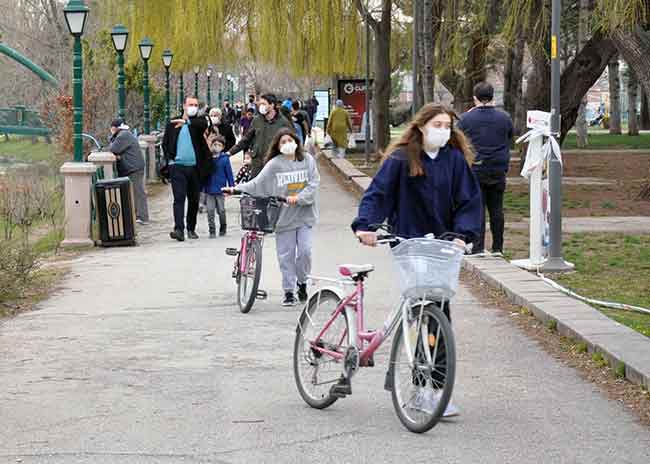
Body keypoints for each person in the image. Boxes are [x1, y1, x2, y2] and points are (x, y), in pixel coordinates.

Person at [351, 104, 482, 417]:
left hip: (442, 246)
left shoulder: (453, 161)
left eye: (447, 125)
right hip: (409, 243)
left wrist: (464, 234)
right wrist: (365, 225)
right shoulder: (401, 158)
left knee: (438, 313)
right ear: (422, 126)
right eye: (437, 123)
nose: (443, 130)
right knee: (416, 311)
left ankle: (436, 389)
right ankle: (421, 387)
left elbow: (469, 201)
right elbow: (379, 193)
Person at [223, 128, 320, 307]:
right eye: (282, 142)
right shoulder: (275, 164)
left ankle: (302, 282)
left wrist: (298, 198)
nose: (287, 144)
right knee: (286, 256)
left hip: (305, 215)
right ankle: (289, 290)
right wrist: (236, 189)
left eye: (289, 140)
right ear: (277, 145)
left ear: (296, 141)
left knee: (305, 252)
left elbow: (314, 183)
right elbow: (258, 183)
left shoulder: (307, 160)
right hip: (283, 218)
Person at [457, 81, 513, 257]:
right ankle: (498, 247)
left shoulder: (466, 119)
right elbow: (510, 136)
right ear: (492, 97)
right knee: (497, 208)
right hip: (498, 168)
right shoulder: (504, 117)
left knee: (478, 208)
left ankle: (478, 246)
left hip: (476, 168)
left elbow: (457, 140)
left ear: (475, 98)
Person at [162, 96, 214, 241]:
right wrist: (170, 159)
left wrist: (186, 121)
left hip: (195, 168)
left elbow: (203, 124)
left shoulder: (198, 122)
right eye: (190, 104)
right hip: (177, 167)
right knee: (179, 198)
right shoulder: (173, 123)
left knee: (194, 199)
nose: (193, 107)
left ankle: (191, 228)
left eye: (196, 105)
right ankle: (179, 229)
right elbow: (165, 143)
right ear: (184, 105)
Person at [226, 93, 294, 178]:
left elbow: (292, 142)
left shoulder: (283, 123)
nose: (261, 106)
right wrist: (230, 152)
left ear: (272, 105)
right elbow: (246, 139)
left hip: (275, 163)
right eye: (260, 104)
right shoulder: (257, 120)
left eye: (263, 104)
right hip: (257, 164)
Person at [107, 118, 149, 225]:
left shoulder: (123, 136)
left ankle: (142, 217)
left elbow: (113, 149)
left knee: (138, 192)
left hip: (133, 168)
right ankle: (138, 216)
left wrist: (113, 144)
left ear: (114, 128)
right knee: (135, 192)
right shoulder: (125, 134)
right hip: (133, 167)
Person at [203, 135, 234, 238]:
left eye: (219, 145)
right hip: (209, 189)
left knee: (221, 210)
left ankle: (223, 227)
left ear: (223, 147)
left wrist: (231, 187)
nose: (217, 146)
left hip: (221, 189)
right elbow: (204, 173)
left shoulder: (225, 159)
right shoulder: (207, 158)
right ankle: (212, 230)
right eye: (215, 144)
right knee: (210, 210)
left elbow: (229, 174)